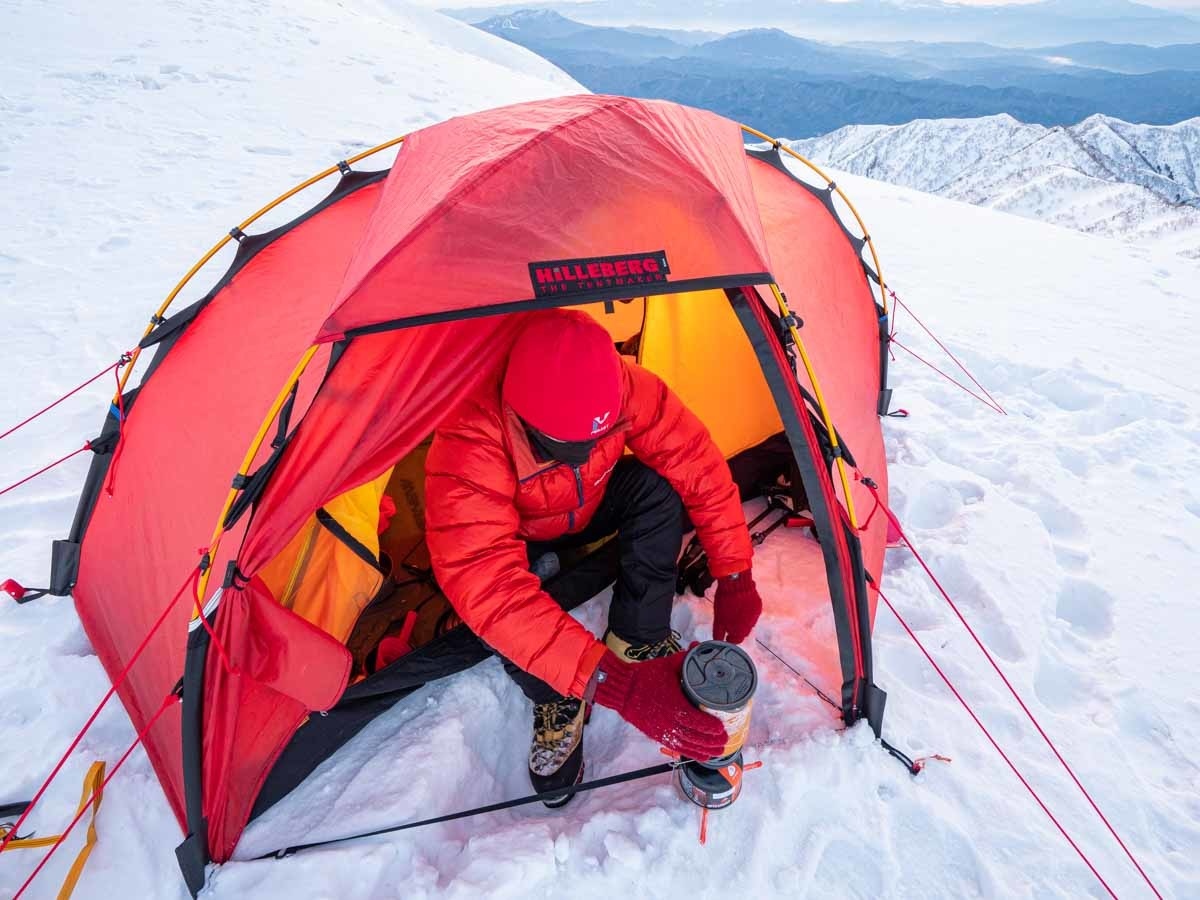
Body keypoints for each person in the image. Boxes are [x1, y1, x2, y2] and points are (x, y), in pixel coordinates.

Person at [425, 309, 763, 805]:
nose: (582, 457)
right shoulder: (468, 441)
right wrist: (616, 688)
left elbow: (696, 462)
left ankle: (637, 636)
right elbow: (489, 588)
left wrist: (734, 571)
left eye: (594, 442)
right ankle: (557, 694)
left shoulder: (627, 388)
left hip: (592, 505)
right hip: (518, 531)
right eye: (561, 448)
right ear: (520, 417)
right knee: (492, 612)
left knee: (657, 486)